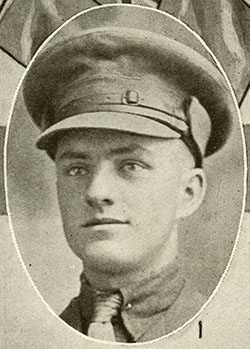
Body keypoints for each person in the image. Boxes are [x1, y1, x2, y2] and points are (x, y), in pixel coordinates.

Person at [21, 6, 233, 343]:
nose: (96, 191)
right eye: (76, 168)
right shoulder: (29, 338)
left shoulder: (229, 331)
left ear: (189, 193)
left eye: (130, 166)